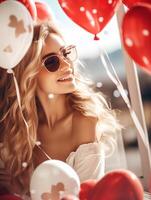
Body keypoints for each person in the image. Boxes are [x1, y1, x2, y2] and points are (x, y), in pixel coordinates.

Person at [0, 21, 121, 197]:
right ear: (29, 74)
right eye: (52, 62)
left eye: (65, 54)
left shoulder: (85, 122)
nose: (66, 65)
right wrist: (15, 189)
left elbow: (88, 196)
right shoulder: (18, 130)